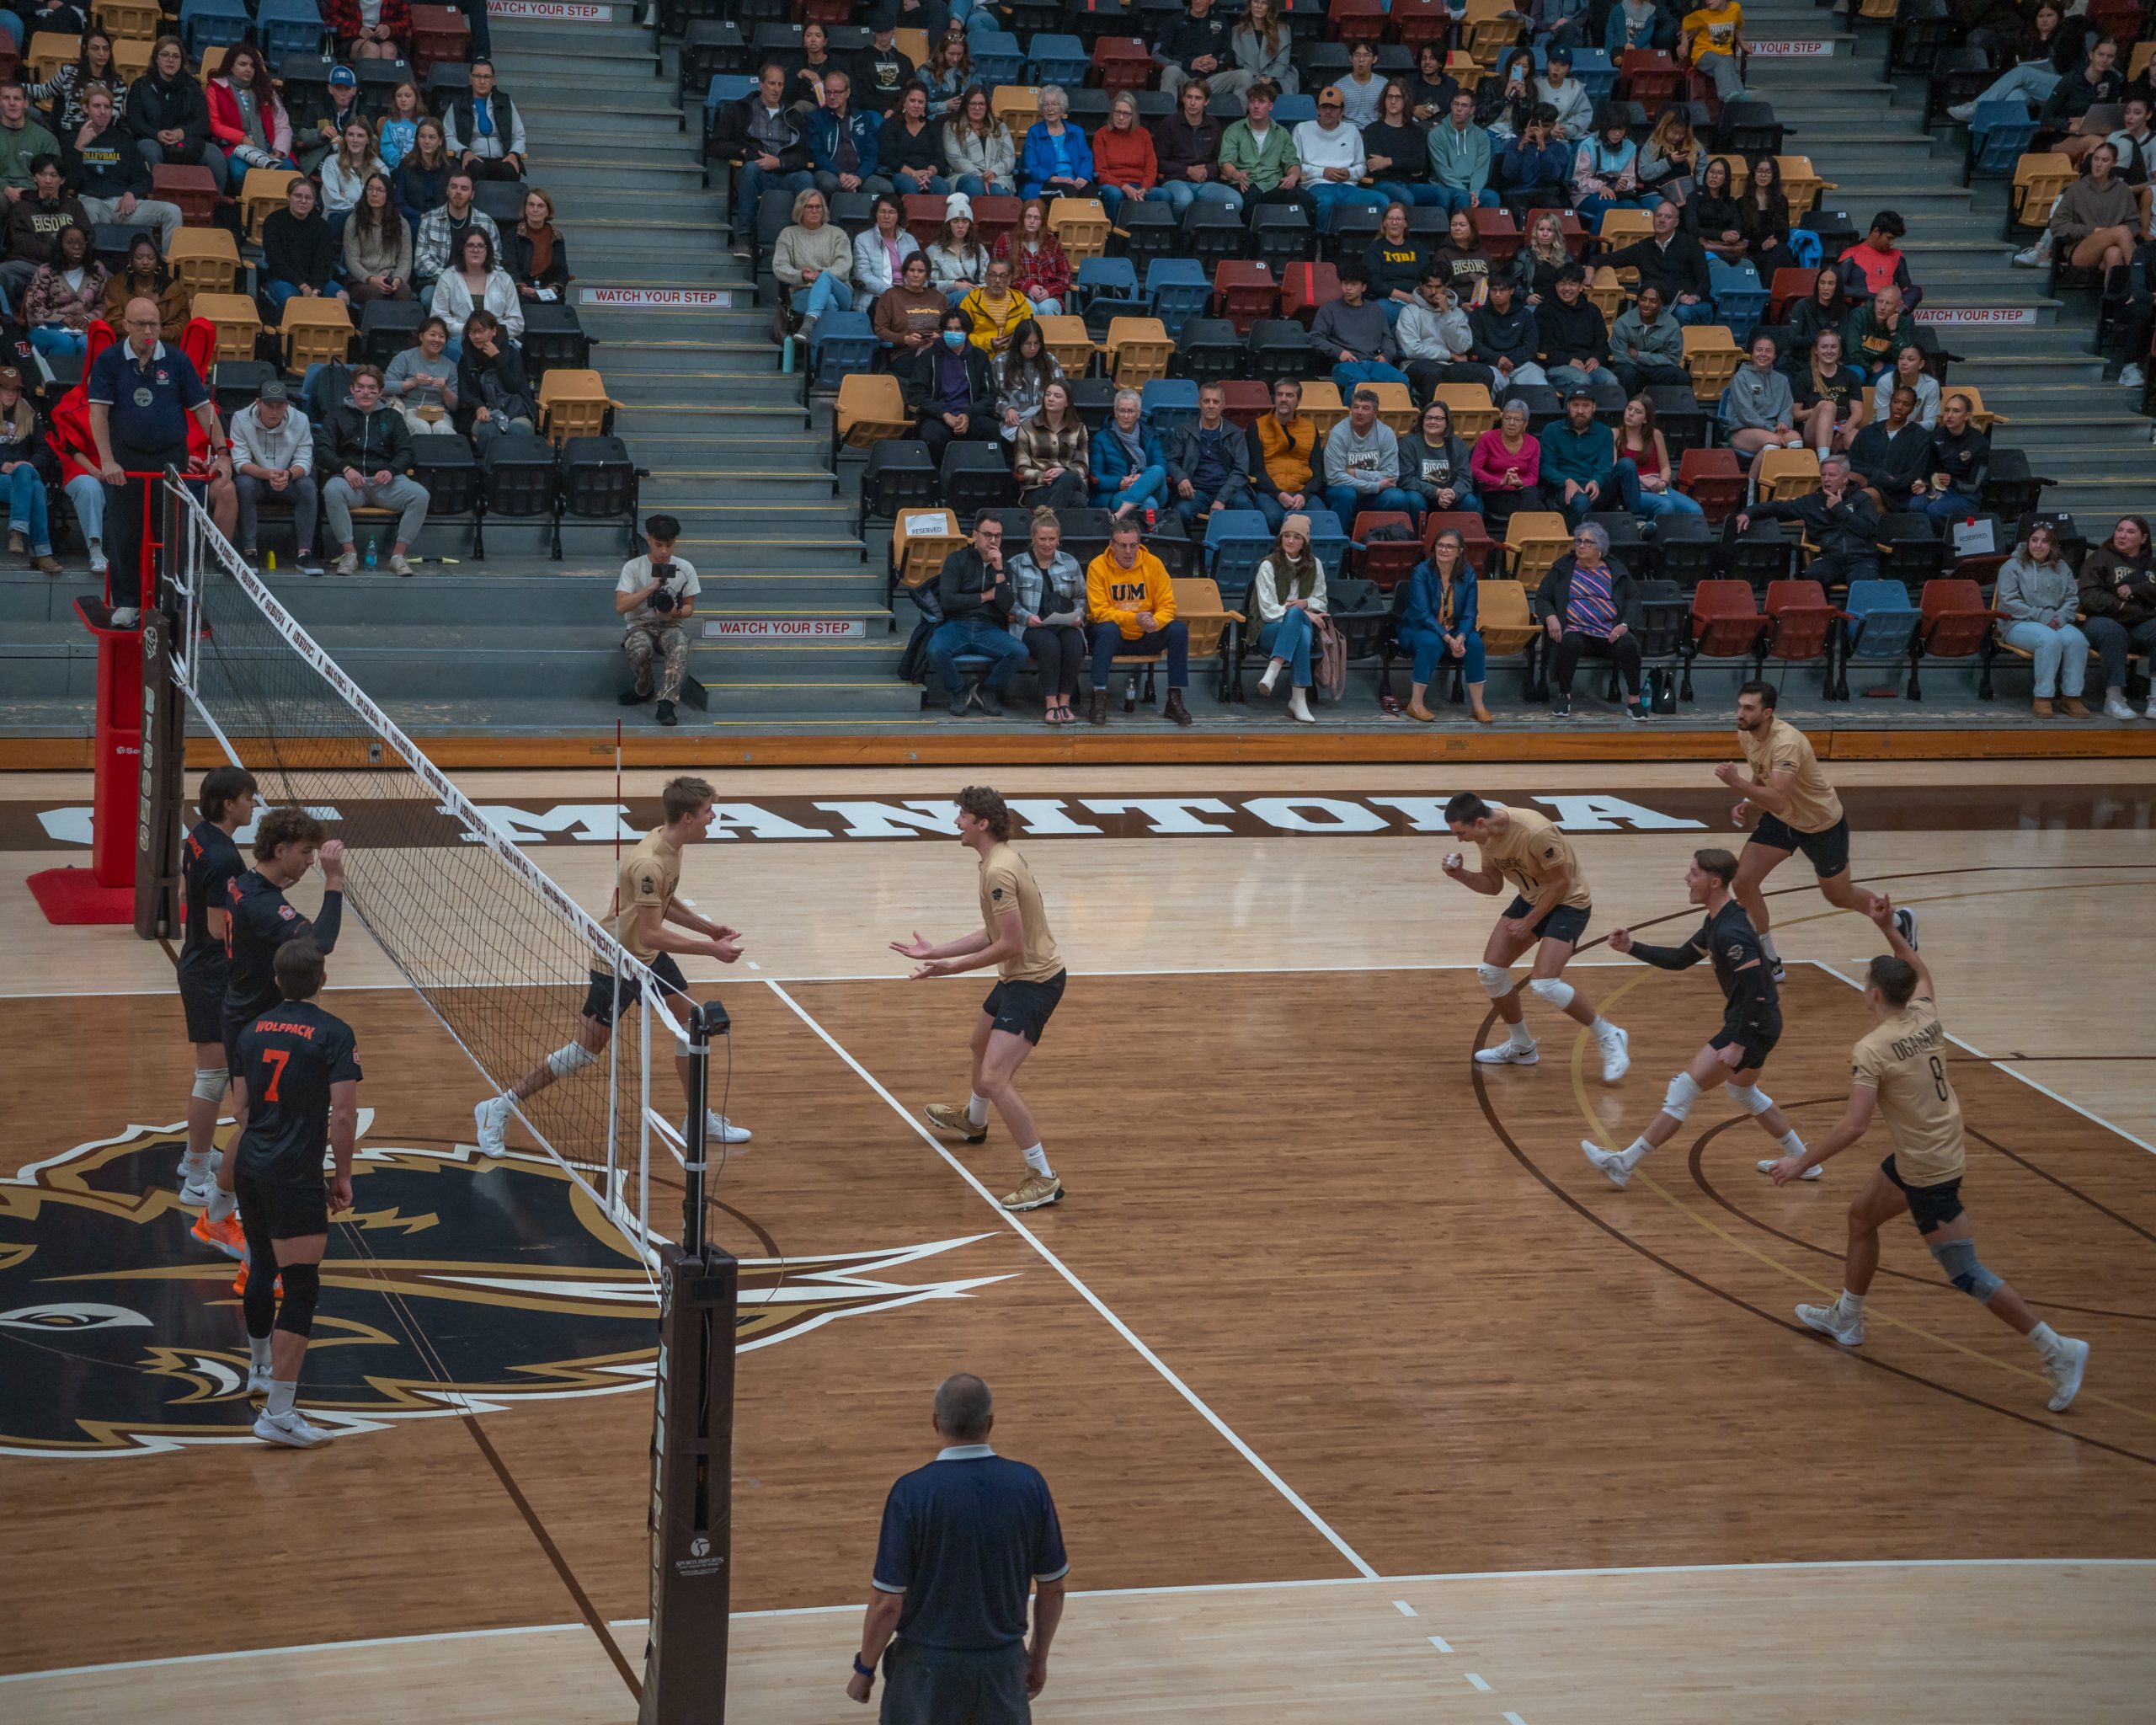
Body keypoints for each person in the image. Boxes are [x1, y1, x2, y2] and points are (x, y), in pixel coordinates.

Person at [1766, 898, 2090, 1414]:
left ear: (1873, 993)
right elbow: (1920, 969)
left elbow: (1855, 1124)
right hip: (1933, 1150)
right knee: (1860, 1217)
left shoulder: (1871, 1049)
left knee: (1965, 1273)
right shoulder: (1926, 1014)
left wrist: (1798, 1163)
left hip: (1927, 1170)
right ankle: (1848, 1317)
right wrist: (1887, 928)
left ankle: (2057, 1349)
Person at [475, 776, 752, 1156]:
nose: (713, 817)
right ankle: (498, 1106)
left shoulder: (670, 844)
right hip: (618, 964)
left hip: (647, 958)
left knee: (693, 1027)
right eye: (708, 812)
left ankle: (697, 1119)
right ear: (687, 817)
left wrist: (708, 927)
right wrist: (711, 948)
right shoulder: (650, 862)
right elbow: (653, 933)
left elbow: (661, 903)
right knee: (583, 1053)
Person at [1583, 847, 1811, 1188]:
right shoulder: (1718, 920)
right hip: (1759, 1022)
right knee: (1744, 1094)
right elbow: (1679, 959)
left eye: (1693, 874)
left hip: (1751, 1024)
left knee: (1683, 1087)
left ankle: (1624, 1164)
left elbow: (1759, 990)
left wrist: (1738, 1043)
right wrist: (1632, 947)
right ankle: (1805, 1162)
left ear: (1714, 882)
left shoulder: (1731, 932)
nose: (1687, 879)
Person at [900, 788, 1071, 1212]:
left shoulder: (998, 871)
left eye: (962, 816)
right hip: (1020, 978)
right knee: (979, 1044)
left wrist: (951, 969)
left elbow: (1010, 944)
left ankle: (1042, 1177)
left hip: (1034, 982)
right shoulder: (999, 861)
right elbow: (996, 933)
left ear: (982, 824)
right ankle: (973, 1122)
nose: (956, 822)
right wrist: (936, 952)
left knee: (995, 1078)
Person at [196, 807, 346, 1262]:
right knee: (258, 1128)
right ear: (279, 850)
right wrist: (335, 881)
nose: (310, 862)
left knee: (254, 1125)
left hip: (247, 1016)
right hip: (254, 1025)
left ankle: (217, 1215)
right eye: (305, 853)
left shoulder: (244, 884)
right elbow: (318, 945)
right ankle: (233, 1225)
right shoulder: (262, 901)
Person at [227, 938, 360, 1449]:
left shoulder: (250, 1031)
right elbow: (343, 1116)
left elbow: (241, 1110)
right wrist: (342, 1176)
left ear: (277, 980)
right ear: (321, 981)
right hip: (293, 1175)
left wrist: (268, 1130)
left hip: (251, 1166)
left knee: (261, 1263)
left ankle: (258, 1366)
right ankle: (279, 1413)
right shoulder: (334, 1034)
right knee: (301, 1289)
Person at [1716, 680, 1912, 978]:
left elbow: (1779, 799)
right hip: (1784, 820)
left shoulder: (1787, 743)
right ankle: (1769, 958)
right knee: (1743, 882)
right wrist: (1748, 800)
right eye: (1740, 706)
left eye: (1748, 708)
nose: (1740, 713)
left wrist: (1736, 783)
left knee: (1838, 895)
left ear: (1767, 713)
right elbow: (1761, 773)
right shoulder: (1748, 734)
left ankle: (1899, 921)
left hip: (1821, 823)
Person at [1444, 792, 1630, 1078]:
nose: (1460, 840)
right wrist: (1460, 875)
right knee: (1490, 973)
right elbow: (1493, 886)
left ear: (1479, 822)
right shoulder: (1487, 838)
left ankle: (1609, 1034)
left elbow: (1561, 883)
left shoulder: (1535, 831)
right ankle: (1522, 1047)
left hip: (1569, 903)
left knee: (1545, 984)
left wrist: (1529, 922)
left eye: (1461, 833)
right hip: (1532, 898)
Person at [88, 295, 228, 627]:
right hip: (125, 460)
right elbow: (98, 412)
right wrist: (107, 461)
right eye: (141, 324)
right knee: (125, 534)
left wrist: (223, 452)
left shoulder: (177, 361)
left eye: (154, 324)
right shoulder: (109, 360)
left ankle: (172, 599)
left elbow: (203, 408)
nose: (149, 331)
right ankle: (127, 602)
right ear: (126, 326)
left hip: (170, 459)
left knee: (172, 536)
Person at [173, 765, 259, 1206]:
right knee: (212, 1078)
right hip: (211, 975)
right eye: (249, 798)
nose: (254, 805)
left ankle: (194, 1158)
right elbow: (213, 927)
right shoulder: (225, 856)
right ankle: (195, 1176)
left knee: (213, 1075)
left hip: (197, 968)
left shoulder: (199, 834)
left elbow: (187, 893)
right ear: (229, 803)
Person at [314, 364, 427, 576]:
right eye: (361, 387)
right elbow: (322, 450)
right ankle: (350, 555)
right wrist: (345, 468)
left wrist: (392, 470)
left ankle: (398, 556)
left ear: (380, 392)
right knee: (331, 490)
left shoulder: (392, 418)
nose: (366, 392)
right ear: (352, 389)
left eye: (372, 388)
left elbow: (407, 452)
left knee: (420, 495)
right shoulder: (337, 415)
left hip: (385, 483)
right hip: (351, 483)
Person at [1085, 516, 1193, 725]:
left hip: (1146, 634)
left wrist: (1155, 622)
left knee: (1178, 630)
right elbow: (1099, 612)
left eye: (1133, 545)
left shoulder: (1153, 564)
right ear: (1111, 545)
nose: (1128, 551)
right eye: (1123, 545)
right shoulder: (1097, 566)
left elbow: (1168, 605)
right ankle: (1098, 697)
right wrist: (1135, 619)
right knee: (1106, 629)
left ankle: (1174, 698)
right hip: (1113, 637)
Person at [1540, 521, 1650, 719]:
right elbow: (1542, 597)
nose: (1581, 546)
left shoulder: (1615, 570)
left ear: (1600, 548)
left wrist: (1624, 625)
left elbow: (1634, 600)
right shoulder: (1564, 568)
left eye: (1587, 542)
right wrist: (1550, 617)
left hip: (1609, 634)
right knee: (1569, 641)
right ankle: (1564, 695)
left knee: (1630, 644)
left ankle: (1634, 700)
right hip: (1577, 631)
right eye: (1579, 541)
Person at [62, 82, 184, 253]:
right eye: (97, 106)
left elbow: (144, 177)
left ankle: (167, 266)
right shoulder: (71, 139)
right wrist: (79, 148)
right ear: (85, 108)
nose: (103, 112)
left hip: (122, 205)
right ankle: (92, 266)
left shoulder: (123, 140)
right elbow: (69, 183)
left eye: (107, 107)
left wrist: (131, 193)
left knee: (172, 211)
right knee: (88, 208)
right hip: (91, 201)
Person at [928, 510, 1026, 715]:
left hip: (988, 627)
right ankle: (959, 691)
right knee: (936, 649)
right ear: (975, 535)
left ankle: (985, 690)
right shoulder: (956, 560)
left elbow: (1006, 605)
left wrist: (998, 570)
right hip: (956, 624)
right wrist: (986, 597)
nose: (993, 541)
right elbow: (948, 601)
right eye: (988, 535)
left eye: (997, 536)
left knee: (1019, 652)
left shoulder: (1004, 566)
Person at [1996, 522, 2093, 718]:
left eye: (2044, 542)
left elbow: (2071, 598)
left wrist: (2062, 617)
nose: (2038, 546)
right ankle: (2043, 697)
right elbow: (2008, 603)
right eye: (2034, 540)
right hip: (2017, 622)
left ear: (2053, 546)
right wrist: (2042, 616)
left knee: (2077, 640)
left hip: (2054, 620)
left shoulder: (2062, 567)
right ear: (2027, 541)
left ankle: (2071, 697)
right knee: (2049, 640)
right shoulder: (2012, 566)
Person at [1737, 454, 1879, 588]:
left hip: (1861, 559)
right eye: (1823, 475)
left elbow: (1867, 529)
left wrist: (1839, 509)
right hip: (1831, 558)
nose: (1826, 479)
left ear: (1845, 478)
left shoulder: (1862, 499)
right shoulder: (1811, 502)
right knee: (1813, 575)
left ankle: (1857, 614)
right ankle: (1822, 613)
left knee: (1864, 583)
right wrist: (1749, 512)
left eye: (1832, 475)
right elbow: (1778, 508)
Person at [718, 62, 813, 257]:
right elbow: (717, 144)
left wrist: (780, 163)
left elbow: (805, 155)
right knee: (750, 170)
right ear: (761, 84)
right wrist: (742, 151)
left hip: (786, 173)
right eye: (771, 83)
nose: (776, 89)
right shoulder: (740, 110)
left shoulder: (793, 115)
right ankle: (745, 238)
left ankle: (802, 239)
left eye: (780, 84)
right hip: (757, 173)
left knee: (806, 178)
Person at [1399, 526, 1490, 722]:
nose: (1444, 550)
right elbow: (1422, 614)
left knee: (1474, 644)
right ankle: (1415, 704)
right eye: (1440, 545)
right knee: (1431, 642)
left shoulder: (1468, 574)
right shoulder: (1421, 572)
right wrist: (1449, 639)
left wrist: (1461, 636)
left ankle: (1478, 706)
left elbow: (1470, 612)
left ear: (1460, 552)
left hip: (1455, 628)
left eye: (1450, 546)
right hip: (1421, 627)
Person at [615, 513, 698, 726]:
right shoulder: (633, 567)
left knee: (680, 643)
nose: (664, 551)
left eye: (669, 545)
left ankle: (667, 703)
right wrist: (650, 588)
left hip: (671, 624)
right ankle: (645, 687)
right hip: (639, 626)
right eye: (658, 544)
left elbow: (689, 607)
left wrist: (674, 613)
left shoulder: (685, 568)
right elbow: (621, 607)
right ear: (649, 539)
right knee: (639, 648)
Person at [1007, 507, 1086, 724]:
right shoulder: (1016, 563)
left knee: (1074, 641)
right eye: (1042, 539)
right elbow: (1009, 600)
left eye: (1052, 539)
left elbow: (1081, 595)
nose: (1047, 544)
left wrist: (1079, 615)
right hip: (1031, 625)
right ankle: (1050, 703)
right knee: (1049, 644)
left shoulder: (1070, 562)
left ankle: (1065, 702)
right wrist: (1026, 617)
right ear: (1033, 538)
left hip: (1063, 622)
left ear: (1059, 539)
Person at [230, 379, 319, 569]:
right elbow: (239, 462)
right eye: (269, 405)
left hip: (288, 480)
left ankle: (304, 554)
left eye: (280, 406)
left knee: (308, 485)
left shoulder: (301, 419)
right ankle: (249, 552)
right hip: (257, 481)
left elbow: (305, 461)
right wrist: (267, 474)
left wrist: (287, 474)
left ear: (287, 405)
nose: (274, 411)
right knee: (243, 484)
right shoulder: (240, 418)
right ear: (258, 403)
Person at [1250, 512, 1326, 723]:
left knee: (1299, 623)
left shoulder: (1315, 564)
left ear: (1305, 542)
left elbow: (1321, 600)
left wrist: (1305, 604)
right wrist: (1303, 612)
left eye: (1297, 537)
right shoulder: (1268, 565)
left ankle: (1273, 670)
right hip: (1269, 629)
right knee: (1299, 626)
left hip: (1299, 626)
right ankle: (1298, 699)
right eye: (1287, 536)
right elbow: (1268, 611)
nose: (1290, 541)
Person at [2079, 515, 2156, 719]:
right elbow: (2088, 595)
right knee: (2114, 632)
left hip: (2139, 625)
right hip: (2100, 621)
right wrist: (2120, 605)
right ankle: (2114, 699)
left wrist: (2137, 590)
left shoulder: (2151, 564)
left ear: (2143, 538)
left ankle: (2155, 699)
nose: (2122, 535)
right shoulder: (2101, 557)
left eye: (2130, 532)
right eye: (2119, 530)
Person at [128, 35, 224, 192]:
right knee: (149, 149)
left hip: (185, 141)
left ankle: (214, 204)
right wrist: (157, 134)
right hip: (153, 139)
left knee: (214, 155)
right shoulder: (141, 86)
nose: (170, 60)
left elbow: (203, 123)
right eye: (165, 55)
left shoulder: (192, 86)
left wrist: (182, 132)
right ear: (156, 59)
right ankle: (161, 197)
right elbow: (135, 122)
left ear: (182, 61)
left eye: (175, 56)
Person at [899, 307, 997, 461]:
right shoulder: (929, 356)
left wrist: (968, 415)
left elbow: (989, 396)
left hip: (970, 416)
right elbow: (916, 393)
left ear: (967, 332)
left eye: (958, 329)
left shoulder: (979, 357)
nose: (953, 333)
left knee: (990, 429)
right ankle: (940, 480)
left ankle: (979, 479)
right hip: (937, 417)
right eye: (949, 329)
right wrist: (943, 414)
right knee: (931, 435)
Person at [1600, 196, 1716, 323]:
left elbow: (1704, 281)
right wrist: (1591, 266)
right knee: (1636, 316)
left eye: (1667, 217)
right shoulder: (1643, 247)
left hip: (1694, 305)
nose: (1661, 220)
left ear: (1676, 223)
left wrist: (1693, 297)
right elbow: (1610, 258)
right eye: (1658, 216)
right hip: (1661, 306)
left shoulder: (1690, 244)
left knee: (1681, 312)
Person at [2038, 142, 2142, 278]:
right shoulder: (2075, 190)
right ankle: (2144, 284)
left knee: (2113, 253)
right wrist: (2093, 231)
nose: (2098, 164)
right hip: (2081, 247)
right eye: (2096, 159)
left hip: (2115, 245)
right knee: (2122, 231)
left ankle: (2113, 298)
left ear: (2114, 163)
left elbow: (2134, 224)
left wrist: (2110, 236)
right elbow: (2058, 226)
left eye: (2105, 160)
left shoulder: (2123, 190)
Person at [1219, 80, 1314, 225]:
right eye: (1252, 102)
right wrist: (1236, 174)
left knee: (1304, 198)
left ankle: (1298, 244)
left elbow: (1292, 162)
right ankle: (1249, 244)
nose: (1256, 106)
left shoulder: (1281, 133)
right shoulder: (1234, 130)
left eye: (1261, 101)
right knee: (1251, 196)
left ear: (1271, 106)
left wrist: (1293, 176)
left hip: (1273, 185)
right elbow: (1226, 162)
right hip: (1245, 184)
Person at [1294, 85, 1385, 230]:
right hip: (1316, 184)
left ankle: (1376, 246)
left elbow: (1362, 166)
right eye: (1324, 107)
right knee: (1326, 200)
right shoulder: (1302, 129)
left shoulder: (1351, 130)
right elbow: (1295, 165)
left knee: (1382, 200)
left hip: (1347, 186)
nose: (1328, 111)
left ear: (1342, 111)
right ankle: (1321, 243)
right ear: (1318, 109)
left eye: (1333, 107)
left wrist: (1350, 173)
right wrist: (1323, 172)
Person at [0, 151, 84, 306]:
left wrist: (65, 257)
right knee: (3, 272)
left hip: (68, 266)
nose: (47, 180)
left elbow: (88, 236)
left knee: (106, 275)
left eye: (53, 175)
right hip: (31, 265)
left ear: (62, 179)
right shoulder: (22, 207)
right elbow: (21, 241)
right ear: (34, 178)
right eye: (42, 174)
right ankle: (11, 320)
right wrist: (57, 251)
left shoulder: (74, 206)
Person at [1168, 381, 1254, 529]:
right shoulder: (1183, 430)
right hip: (1196, 491)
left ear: (1223, 404)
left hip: (1228, 491)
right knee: (1181, 511)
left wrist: (1221, 499)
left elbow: (1241, 471)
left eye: (1216, 401)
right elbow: (1171, 460)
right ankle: (1191, 550)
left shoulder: (1236, 434)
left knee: (1245, 506)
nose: (1211, 405)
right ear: (1199, 403)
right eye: (1206, 401)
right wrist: (1181, 478)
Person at [0, 366, 61, 572]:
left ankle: (18, 530)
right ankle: (41, 553)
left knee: (27, 475)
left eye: (14, 390)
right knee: (37, 489)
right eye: (5, 388)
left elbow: (46, 450)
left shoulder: (29, 415)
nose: (10, 393)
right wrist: (2, 465)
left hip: (21, 478)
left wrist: (30, 463)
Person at [1313, 259, 1407, 392]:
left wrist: (1387, 354)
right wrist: (1338, 351)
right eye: (1345, 283)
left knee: (1401, 380)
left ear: (1363, 287)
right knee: (1358, 379)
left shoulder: (1376, 310)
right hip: (1344, 365)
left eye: (1353, 284)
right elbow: (1316, 338)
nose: (1348, 288)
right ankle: (1351, 412)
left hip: (1373, 362)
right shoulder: (1329, 309)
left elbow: (1387, 338)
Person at [1324, 386, 1415, 523]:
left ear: (1375, 413)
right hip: (1344, 491)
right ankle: (1338, 541)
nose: (1359, 412)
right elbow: (1335, 477)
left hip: (1374, 495)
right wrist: (1375, 486)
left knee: (1397, 498)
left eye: (1365, 408)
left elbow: (1391, 476)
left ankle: (1389, 539)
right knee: (1346, 494)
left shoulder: (1386, 433)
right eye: (1355, 407)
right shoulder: (1339, 433)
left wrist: (1353, 472)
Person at [1538, 264, 1624, 409]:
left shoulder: (1592, 310)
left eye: (1572, 284)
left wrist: (1596, 358)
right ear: (1556, 286)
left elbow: (1602, 343)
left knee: (1611, 381)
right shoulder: (1545, 311)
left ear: (1581, 287)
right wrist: (1569, 360)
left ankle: (1607, 425)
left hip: (1588, 365)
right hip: (1557, 366)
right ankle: (1571, 423)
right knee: (1582, 381)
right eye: (1562, 284)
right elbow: (1544, 348)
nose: (1566, 289)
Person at [259, 177, 346, 318]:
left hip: (316, 281)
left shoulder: (321, 226)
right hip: (283, 279)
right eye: (298, 196)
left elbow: (324, 264)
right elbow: (276, 262)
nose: (303, 201)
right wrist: (303, 286)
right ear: (288, 196)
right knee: (292, 300)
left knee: (342, 298)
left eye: (308, 197)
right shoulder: (274, 221)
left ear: (314, 200)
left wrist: (316, 290)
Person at [772, 186, 852, 338]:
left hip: (840, 290)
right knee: (828, 302)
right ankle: (824, 352)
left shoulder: (838, 234)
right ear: (800, 209)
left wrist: (819, 275)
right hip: (804, 290)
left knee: (825, 278)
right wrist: (801, 275)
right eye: (809, 207)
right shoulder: (788, 234)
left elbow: (844, 266)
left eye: (818, 207)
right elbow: (779, 267)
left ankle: (809, 325)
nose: (814, 211)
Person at [1722, 331, 1804, 473]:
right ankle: (1753, 487)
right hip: (1743, 429)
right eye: (1759, 350)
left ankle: (1783, 483)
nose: (1763, 354)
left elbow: (1786, 407)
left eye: (1768, 351)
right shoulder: (1741, 377)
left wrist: (1784, 423)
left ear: (1774, 356)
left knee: (1796, 439)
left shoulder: (1782, 379)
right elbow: (1745, 414)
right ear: (1752, 354)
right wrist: (1772, 430)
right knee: (1773, 442)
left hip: (1774, 430)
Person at [206, 45, 296, 176]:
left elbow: (282, 124)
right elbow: (214, 124)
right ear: (230, 65)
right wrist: (241, 138)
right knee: (241, 172)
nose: (248, 69)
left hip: (268, 149)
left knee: (288, 170)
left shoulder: (266, 90)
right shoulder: (215, 89)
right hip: (235, 148)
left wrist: (280, 149)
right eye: (243, 64)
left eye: (252, 66)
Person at [1614, 393, 1703, 521]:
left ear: (1645, 419)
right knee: (1666, 506)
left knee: (1695, 510)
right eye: (1629, 408)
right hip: (1634, 489)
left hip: (1658, 487)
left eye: (1637, 411)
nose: (1631, 413)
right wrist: (1643, 480)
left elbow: (1665, 467)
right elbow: (1615, 468)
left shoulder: (1655, 435)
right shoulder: (1616, 434)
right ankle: (1651, 534)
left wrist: (1663, 482)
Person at [412, 168, 501, 295]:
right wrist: (449, 277)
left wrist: (473, 277)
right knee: (428, 296)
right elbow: (421, 259)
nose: (458, 192)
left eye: (464, 188)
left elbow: (495, 259)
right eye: (454, 187)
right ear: (447, 190)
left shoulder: (486, 223)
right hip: (437, 281)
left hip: (476, 281)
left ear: (472, 194)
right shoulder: (430, 220)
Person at [21, 222, 103, 358]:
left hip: (84, 328)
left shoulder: (97, 270)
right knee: (64, 343)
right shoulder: (45, 272)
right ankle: (55, 380)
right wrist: (62, 319)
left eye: (81, 243)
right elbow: (33, 309)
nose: (76, 247)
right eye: (70, 243)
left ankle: (85, 380)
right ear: (60, 245)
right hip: (48, 328)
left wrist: (86, 318)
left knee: (87, 343)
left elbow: (103, 304)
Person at [1849, 383, 1934, 514]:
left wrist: (1888, 482)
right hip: (1868, 485)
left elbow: (1915, 473)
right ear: (1890, 402)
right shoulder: (1869, 432)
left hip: (1899, 495)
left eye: (1906, 404)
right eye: (1896, 402)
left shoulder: (1920, 437)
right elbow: (1853, 462)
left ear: (1913, 408)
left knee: (1861, 499)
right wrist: (1876, 476)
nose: (1899, 407)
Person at [808, 71, 891, 200]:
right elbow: (817, 155)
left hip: (859, 174)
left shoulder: (864, 118)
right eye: (828, 92)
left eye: (837, 92)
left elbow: (872, 154)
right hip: (831, 173)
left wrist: (859, 177)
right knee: (829, 184)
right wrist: (840, 174)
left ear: (847, 92)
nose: (832, 96)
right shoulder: (815, 118)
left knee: (886, 189)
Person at [456, 309, 534, 448]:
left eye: (481, 331)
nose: (477, 336)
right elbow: (463, 392)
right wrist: (478, 405)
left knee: (518, 430)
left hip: (516, 411)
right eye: (472, 332)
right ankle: (491, 470)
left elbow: (513, 387)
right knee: (488, 431)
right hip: (486, 413)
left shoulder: (512, 354)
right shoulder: (466, 358)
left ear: (494, 331)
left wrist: (498, 358)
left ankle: (517, 470)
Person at [1396, 270, 1477, 402]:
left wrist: (1447, 313)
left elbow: (1461, 348)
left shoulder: (1456, 312)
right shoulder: (1409, 311)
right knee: (1434, 374)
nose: (1433, 292)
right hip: (1417, 364)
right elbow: (1411, 349)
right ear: (1421, 286)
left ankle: (1468, 418)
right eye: (1429, 286)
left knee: (1484, 373)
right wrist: (1449, 355)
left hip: (1450, 364)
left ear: (1446, 287)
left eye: (1438, 287)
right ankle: (1433, 418)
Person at [1544, 385, 1619, 526]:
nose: (1580, 411)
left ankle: (1636, 523)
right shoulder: (1552, 430)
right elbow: (1546, 467)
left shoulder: (1605, 433)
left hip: (1596, 489)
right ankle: (1575, 543)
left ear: (1594, 407)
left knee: (1626, 465)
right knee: (1581, 502)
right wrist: (1566, 481)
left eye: (1585, 406)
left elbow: (1604, 467)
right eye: (1575, 405)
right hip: (1563, 489)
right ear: (1568, 406)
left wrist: (1596, 481)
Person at [1092, 385, 1170, 521]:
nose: (1126, 416)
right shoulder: (1101, 438)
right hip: (1118, 492)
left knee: (1157, 469)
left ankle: (1119, 515)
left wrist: (1142, 478)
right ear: (1115, 412)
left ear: (1138, 413)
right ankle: (1148, 538)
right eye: (1122, 411)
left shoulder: (1150, 435)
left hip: (1153, 490)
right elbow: (1096, 478)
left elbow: (1162, 466)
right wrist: (1120, 483)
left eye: (1130, 411)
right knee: (1149, 503)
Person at [443, 58, 526, 180]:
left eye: (487, 77)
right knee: (474, 169)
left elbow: (519, 135)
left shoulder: (505, 102)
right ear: (470, 79)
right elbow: (448, 135)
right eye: (477, 76)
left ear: (493, 81)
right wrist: (463, 152)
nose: (482, 81)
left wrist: (514, 154)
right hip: (473, 159)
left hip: (502, 159)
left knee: (509, 170)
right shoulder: (458, 103)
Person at [31, 29, 125, 136]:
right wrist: (15, 87)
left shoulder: (118, 84)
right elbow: (45, 91)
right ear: (85, 49)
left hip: (103, 136)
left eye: (106, 49)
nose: (102, 53)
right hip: (70, 133)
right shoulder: (69, 72)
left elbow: (114, 117)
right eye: (95, 48)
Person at [1013, 378, 1088, 510]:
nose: (1050, 398)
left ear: (1067, 403)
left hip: (1073, 482)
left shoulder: (1079, 428)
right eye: (1048, 394)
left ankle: (1045, 523)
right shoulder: (1027, 427)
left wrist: (1063, 471)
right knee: (1078, 502)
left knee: (1067, 477)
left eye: (1057, 396)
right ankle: (1051, 523)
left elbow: (1082, 466)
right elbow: (1021, 468)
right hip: (1039, 486)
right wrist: (1041, 476)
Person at [1795, 328, 1870, 459]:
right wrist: (1820, 410)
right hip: (1812, 433)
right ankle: (1824, 461)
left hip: (1840, 430)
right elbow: (1796, 414)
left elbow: (1857, 412)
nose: (1829, 351)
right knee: (1828, 406)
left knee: (1853, 437)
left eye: (1833, 347)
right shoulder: (1804, 376)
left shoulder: (1850, 376)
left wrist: (1848, 426)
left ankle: (1854, 475)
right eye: (1824, 347)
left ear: (1839, 351)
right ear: (1816, 350)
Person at [1253, 376, 1316, 530]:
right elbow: (1256, 470)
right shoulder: (1257, 426)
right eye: (1279, 394)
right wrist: (1279, 494)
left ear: (1299, 400)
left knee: (1319, 519)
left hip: (1301, 492)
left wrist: (1304, 495)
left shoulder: (1310, 428)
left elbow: (1317, 473)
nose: (1283, 399)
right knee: (1274, 518)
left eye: (1289, 395)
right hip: (1270, 492)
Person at [1471, 397, 1544, 531]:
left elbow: (1533, 478)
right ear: (1502, 419)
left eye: (1517, 420)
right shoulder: (1487, 438)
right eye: (1507, 418)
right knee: (1537, 510)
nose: (1511, 423)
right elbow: (1475, 469)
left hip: (1521, 492)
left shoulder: (1533, 443)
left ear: (1525, 423)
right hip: (1494, 491)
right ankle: (1524, 537)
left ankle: (1521, 537)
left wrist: (1520, 482)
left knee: (1532, 492)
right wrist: (1500, 481)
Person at [343, 172, 414, 307]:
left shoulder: (402, 224)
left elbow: (405, 259)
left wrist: (398, 280)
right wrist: (372, 279)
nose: (374, 194)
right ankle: (370, 329)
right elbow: (351, 260)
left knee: (403, 292)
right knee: (376, 293)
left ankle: (402, 329)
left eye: (380, 190)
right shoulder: (353, 221)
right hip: (362, 280)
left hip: (391, 279)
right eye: (370, 189)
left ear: (388, 195)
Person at [1571, 103, 1644, 232]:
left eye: (1621, 130)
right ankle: (1597, 246)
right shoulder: (1588, 144)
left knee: (1635, 211)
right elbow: (1579, 180)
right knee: (1608, 207)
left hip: (1617, 194)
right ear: (1605, 127)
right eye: (1613, 129)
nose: (1617, 134)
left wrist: (1623, 184)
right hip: (1586, 194)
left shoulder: (1630, 147)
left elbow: (1630, 179)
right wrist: (1600, 187)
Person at [1366, 83, 1438, 212]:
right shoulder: (1372, 130)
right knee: (1405, 197)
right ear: (1384, 100)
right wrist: (1405, 165)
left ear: (1405, 101)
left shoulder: (1416, 131)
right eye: (1389, 97)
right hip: (1383, 184)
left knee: (1441, 194)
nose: (1393, 101)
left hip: (1411, 184)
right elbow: (1375, 167)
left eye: (1398, 97)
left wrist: (1388, 161)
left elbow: (1418, 165)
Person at [1399, 398, 1477, 518]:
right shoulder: (1408, 444)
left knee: (1470, 501)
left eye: (1438, 418)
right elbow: (1406, 479)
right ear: (1422, 421)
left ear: (1447, 423)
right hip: (1421, 493)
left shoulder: (1458, 445)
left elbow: (1465, 478)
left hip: (1449, 493)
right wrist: (1437, 492)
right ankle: (1417, 535)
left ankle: (1461, 536)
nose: (1433, 421)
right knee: (1413, 499)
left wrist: (1453, 493)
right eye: (1429, 418)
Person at [1922, 392, 1988, 528]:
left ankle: (1943, 543)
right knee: (1915, 505)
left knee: (1935, 510)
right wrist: (1923, 483)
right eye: (1947, 410)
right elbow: (1928, 469)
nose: (1950, 415)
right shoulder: (1936, 436)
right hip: (1940, 490)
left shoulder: (1979, 442)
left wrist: (1952, 482)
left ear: (1967, 416)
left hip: (1967, 495)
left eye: (1956, 411)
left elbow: (1975, 485)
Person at [1608, 282, 1688, 395]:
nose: (1646, 304)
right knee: (1626, 374)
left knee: (1682, 376)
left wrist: (1639, 356)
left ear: (1661, 303)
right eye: (1643, 299)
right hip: (1630, 367)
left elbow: (1672, 359)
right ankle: (1625, 411)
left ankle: (1671, 412)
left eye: (1653, 301)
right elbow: (1621, 357)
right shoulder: (1623, 322)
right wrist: (1654, 359)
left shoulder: (1672, 324)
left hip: (1657, 370)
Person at [1427, 88, 1497, 215]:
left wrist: (1474, 193)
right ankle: (1460, 233)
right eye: (1456, 104)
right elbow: (1442, 171)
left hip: (1472, 187)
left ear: (1472, 110)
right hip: (1445, 186)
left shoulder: (1481, 136)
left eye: (1464, 106)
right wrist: (1467, 193)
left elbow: (1481, 169)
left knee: (1492, 197)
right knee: (1462, 196)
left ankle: (1487, 234)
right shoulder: (1436, 134)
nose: (1458, 109)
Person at [994, 197, 1069, 315]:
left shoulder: (1052, 242)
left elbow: (1066, 276)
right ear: (1022, 219)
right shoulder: (1006, 240)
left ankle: (1050, 334)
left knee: (1046, 308)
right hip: (1018, 294)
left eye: (1036, 218)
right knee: (1030, 308)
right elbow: (998, 273)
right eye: (1028, 217)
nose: (1032, 221)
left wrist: (1049, 291)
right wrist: (1028, 287)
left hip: (1049, 297)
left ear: (1042, 221)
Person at [991, 318, 1060, 445]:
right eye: (1028, 344)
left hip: (1043, 417)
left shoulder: (1050, 361)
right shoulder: (1000, 362)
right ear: (1018, 343)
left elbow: (1061, 392)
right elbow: (992, 395)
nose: (1033, 348)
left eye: (1037, 343)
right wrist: (1006, 409)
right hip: (1013, 421)